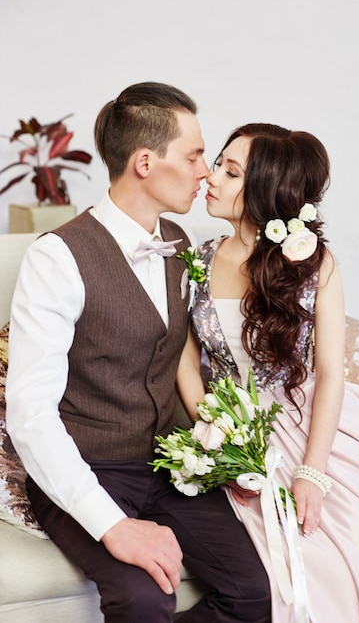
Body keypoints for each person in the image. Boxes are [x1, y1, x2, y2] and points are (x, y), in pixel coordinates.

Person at [5, 85, 272, 623]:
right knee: (145, 597)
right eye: (195, 156)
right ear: (145, 163)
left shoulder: (178, 240)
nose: (205, 171)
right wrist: (113, 525)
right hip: (86, 467)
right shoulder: (56, 257)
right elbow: (30, 416)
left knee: (254, 591)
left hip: (169, 466)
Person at [176, 122, 359, 623]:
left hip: (309, 418)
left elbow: (330, 371)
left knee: (344, 544)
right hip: (229, 426)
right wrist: (214, 428)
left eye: (230, 171)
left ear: (263, 188)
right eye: (218, 163)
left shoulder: (314, 264)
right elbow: (184, 361)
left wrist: (311, 472)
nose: (211, 177)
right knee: (270, 558)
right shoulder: (192, 261)